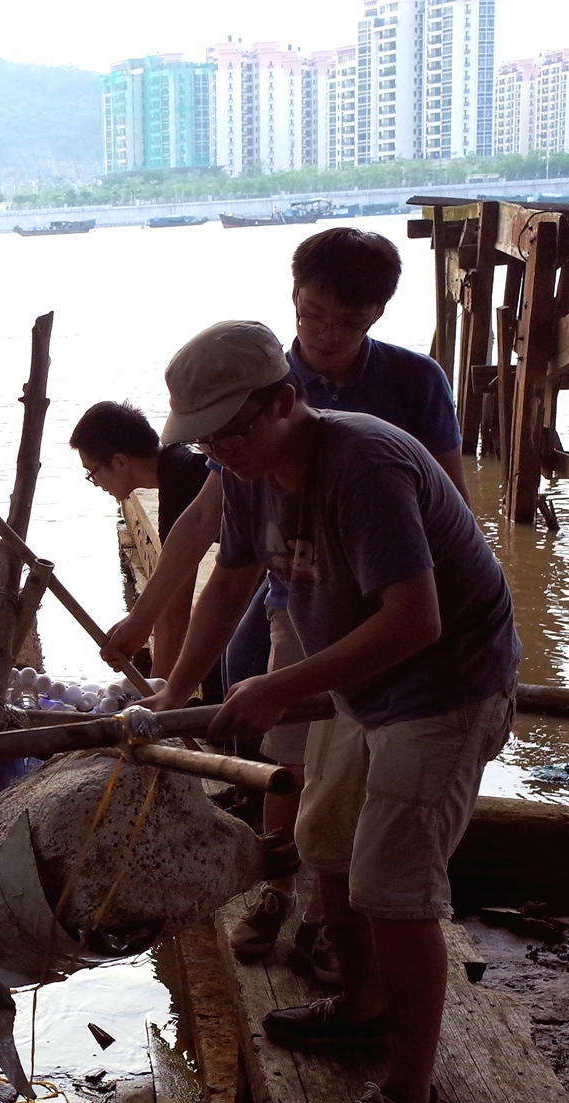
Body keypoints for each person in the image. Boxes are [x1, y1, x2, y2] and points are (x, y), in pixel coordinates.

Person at [142, 321, 519, 1103]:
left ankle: (411, 1097)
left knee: (397, 887)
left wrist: (281, 686)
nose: (221, 454)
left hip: (448, 686)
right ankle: (361, 1008)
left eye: (231, 434)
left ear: (285, 401)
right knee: (325, 846)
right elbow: (230, 580)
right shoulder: (245, 468)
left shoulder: (363, 465)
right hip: (367, 686)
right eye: (205, 444)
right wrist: (175, 689)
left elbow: (416, 621)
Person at [103, 227, 469, 974]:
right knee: (290, 760)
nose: (326, 336)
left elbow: (443, 535)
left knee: (373, 797)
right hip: (301, 594)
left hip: (396, 599)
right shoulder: (246, 411)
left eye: (345, 322)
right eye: (311, 316)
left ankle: (357, 941)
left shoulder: (391, 404)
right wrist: (159, 651)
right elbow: (220, 545)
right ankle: (285, 890)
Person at [69, 400, 214, 679]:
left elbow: (174, 609)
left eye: (92, 472)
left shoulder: (179, 488)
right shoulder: (178, 464)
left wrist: (156, 695)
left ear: (120, 461)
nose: (95, 482)